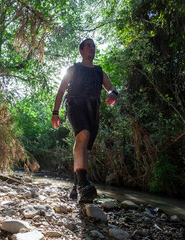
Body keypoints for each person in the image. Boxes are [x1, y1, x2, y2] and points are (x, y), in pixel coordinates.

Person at [51, 38, 118, 203]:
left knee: (85, 149)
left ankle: (76, 187)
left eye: (93, 46)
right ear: (81, 51)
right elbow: (60, 90)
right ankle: (83, 184)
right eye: (88, 45)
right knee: (83, 135)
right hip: (75, 105)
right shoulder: (73, 69)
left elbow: (112, 87)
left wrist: (114, 94)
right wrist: (55, 112)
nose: (92, 48)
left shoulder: (100, 72)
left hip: (93, 111)